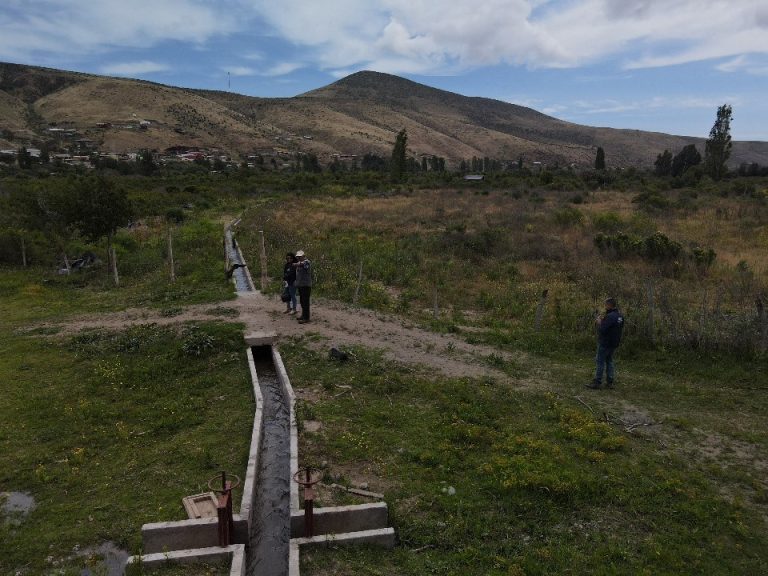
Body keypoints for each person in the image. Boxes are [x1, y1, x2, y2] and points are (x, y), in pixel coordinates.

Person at [586, 297, 624, 389]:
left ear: (609, 305)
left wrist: (600, 322)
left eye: (605, 305)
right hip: (614, 343)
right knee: (609, 361)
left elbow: (603, 329)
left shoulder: (610, 316)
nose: (605, 307)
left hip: (605, 342)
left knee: (600, 361)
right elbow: (614, 328)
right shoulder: (620, 316)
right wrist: (604, 321)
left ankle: (597, 382)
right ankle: (610, 382)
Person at [293, 250, 312, 324]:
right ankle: (303, 316)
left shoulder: (307, 262)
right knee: (302, 301)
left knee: (305, 302)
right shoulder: (299, 263)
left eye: (300, 257)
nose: (299, 258)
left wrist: (297, 264)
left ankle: (306, 318)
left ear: (304, 256)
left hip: (306, 285)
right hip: (301, 285)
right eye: (298, 257)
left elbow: (304, 264)